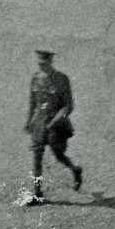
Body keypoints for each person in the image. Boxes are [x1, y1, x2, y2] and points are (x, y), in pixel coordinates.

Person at [24, 50, 82, 205]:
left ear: (50, 62)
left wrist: (54, 122)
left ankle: (75, 170)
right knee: (37, 158)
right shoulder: (35, 79)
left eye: (44, 63)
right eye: (39, 63)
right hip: (39, 123)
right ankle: (37, 194)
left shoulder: (62, 79)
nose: (41, 65)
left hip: (57, 126)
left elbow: (68, 106)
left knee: (58, 155)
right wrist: (29, 121)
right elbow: (33, 102)